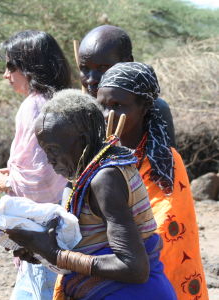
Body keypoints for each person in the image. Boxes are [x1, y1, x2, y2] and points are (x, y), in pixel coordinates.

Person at [6, 89, 176, 300]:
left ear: (82, 141)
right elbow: (91, 243)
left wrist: (56, 255)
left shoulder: (105, 179)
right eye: (44, 150)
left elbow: (134, 267)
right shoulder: (84, 175)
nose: (49, 159)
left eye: (54, 149)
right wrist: (39, 250)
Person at [96, 62, 208, 300]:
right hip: (107, 268)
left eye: (118, 106)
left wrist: (114, 247)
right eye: (102, 106)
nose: (108, 115)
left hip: (153, 276)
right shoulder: (97, 156)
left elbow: (166, 226)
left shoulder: (164, 162)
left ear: (144, 106)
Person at [0, 30, 70, 300]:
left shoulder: (33, 106)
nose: (6, 75)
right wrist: (15, 172)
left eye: (12, 66)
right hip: (63, 231)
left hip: (40, 234)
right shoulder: (64, 102)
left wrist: (7, 182)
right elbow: (54, 169)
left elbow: (43, 182)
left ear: (32, 68)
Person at [77, 24, 176, 147]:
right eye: (84, 68)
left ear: (127, 63)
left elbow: (168, 160)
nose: (91, 80)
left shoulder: (153, 109)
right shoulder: (78, 113)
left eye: (102, 67)